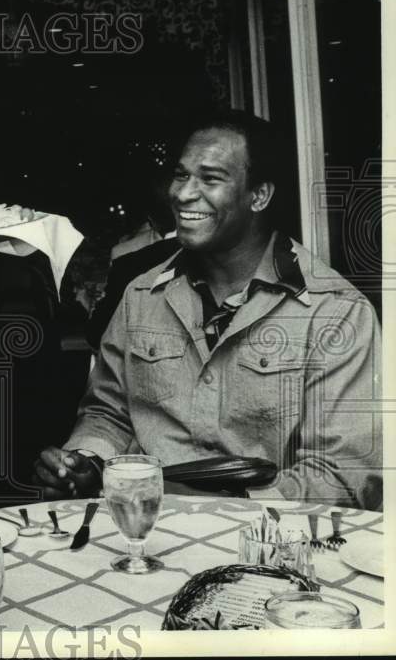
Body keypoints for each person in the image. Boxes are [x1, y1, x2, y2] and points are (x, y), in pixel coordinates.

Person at [35, 111, 382, 509]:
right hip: (142, 533)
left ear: (259, 196)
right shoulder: (142, 296)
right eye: (181, 175)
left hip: (270, 544)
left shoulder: (335, 313)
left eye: (210, 178)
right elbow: (108, 413)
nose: (182, 194)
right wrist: (86, 462)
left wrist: (205, 503)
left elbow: (343, 475)